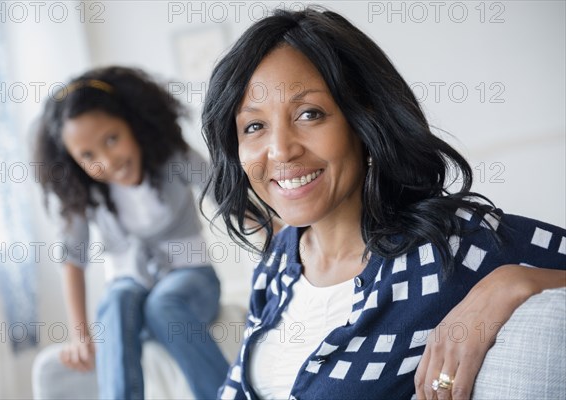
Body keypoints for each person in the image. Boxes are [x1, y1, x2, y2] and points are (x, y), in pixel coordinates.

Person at [200, 7, 566, 400]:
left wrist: (515, 281)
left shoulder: (450, 243)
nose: (281, 150)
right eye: (254, 126)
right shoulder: (277, 264)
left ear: (364, 122)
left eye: (310, 114)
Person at [33, 66, 229, 400]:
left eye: (112, 139)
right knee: (117, 298)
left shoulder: (174, 158)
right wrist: (81, 335)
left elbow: (227, 198)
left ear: (133, 125)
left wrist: (277, 233)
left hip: (190, 278)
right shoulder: (86, 195)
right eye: (88, 156)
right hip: (130, 286)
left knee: (162, 304)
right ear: (74, 162)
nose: (108, 161)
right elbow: (73, 262)